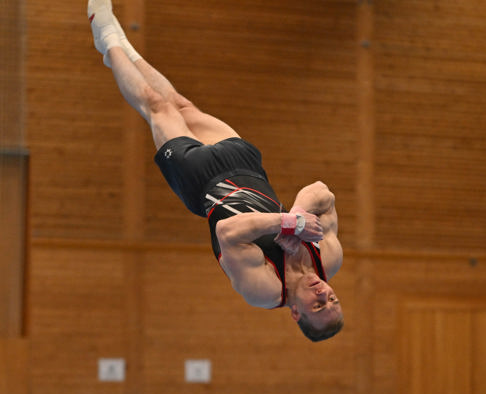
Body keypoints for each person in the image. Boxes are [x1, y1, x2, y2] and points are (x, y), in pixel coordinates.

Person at [86, 0, 344, 341]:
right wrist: (297, 215)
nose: (323, 293)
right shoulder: (329, 258)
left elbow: (227, 231)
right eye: (332, 299)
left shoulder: (266, 289)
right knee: (181, 104)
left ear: (296, 312)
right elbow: (322, 193)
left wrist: (289, 224)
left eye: (318, 305)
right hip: (246, 165)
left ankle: (105, 33)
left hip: (202, 182)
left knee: (157, 105)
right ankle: (119, 49)